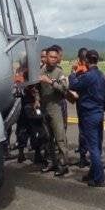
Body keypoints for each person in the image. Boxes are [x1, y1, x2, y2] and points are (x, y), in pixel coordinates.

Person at [69, 49, 105, 187]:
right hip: (99, 112)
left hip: (89, 114)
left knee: (93, 148)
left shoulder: (87, 76)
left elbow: (73, 85)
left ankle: (99, 178)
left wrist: (73, 73)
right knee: (97, 144)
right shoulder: (102, 76)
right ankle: (93, 173)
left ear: (86, 61)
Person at [38, 45, 71, 176]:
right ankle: (51, 162)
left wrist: (51, 82)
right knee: (47, 138)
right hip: (44, 108)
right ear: (46, 57)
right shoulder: (41, 70)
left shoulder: (59, 72)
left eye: (55, 57)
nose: (52, 59)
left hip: (55, 108)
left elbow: (65, 89)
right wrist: (36, 100)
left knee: (60, 138)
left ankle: (63, 164)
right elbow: (36, 87)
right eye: (50, 56)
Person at [71, 47, 90, 169]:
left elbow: (73, 87)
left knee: (82, 130)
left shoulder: (78, 71)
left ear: (79, 59)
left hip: (81, 104)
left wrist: (72, 72)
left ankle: (83, 157)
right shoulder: (91, 70)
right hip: (91, 104)